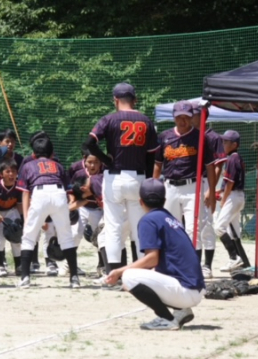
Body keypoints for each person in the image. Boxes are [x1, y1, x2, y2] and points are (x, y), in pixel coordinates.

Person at [106, 178, 205, 330]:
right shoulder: (169, 218)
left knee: (129, 276)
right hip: (195, 287)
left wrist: (119, 271)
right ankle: (181, 312)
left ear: (140, 201)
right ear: (164, 201)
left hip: (186, 290)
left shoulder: (149, 220)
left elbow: (152, 259)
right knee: (144, 274)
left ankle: (167, 319)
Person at [85, 82, 159, 274]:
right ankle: (140, 273)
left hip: (114, 178)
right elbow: (152, 155)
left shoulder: (109, 119)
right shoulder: (146, 120)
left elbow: (89, 143)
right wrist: (149, 181)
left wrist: (104, 160)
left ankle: (114, 274)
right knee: (138, 228)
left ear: (115, 100)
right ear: (134, 100)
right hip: (138, 178)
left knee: (114, 228)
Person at [153, 100, 217, 256]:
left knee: (193, 229)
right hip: (170, 187)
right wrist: (153, 188)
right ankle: (173, 265)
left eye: (187, 117)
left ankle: (193, 267)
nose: (183, 121)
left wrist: (212, 191)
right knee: (170, 227)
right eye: (179, 117)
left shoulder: (201, 138)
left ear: (192, 118)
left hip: (193, 187)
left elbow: (210, 166)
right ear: (174, 117)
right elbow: (157, 164)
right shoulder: (164, 136)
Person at [17, 138, 80, 288]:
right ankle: (74, 278)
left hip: (39, 195)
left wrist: (26, 217)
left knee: (29, 237)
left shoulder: (28, 165)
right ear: (52, 153)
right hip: (58, 193)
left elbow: (25, 193)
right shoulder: (58, 165)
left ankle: (25, 277)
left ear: (33, 153)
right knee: (66, 238)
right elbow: (68, 189)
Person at [191, 102, 227, 278]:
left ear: (203, 116)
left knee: (206, 224)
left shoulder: (212, 136)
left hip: (206, 181)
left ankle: (207, 265)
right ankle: (194, 264)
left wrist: (211, 190)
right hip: (191, 182)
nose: (190, 117)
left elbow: (219, 165)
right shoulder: (190, 135)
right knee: (193, 225)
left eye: (194, 114)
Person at [214, 130, 250, 272]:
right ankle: (244, 263)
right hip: (237, 195)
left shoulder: (232, 158)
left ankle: (234, 258)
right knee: (234, 232)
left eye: (226, 142)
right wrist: (220, 192)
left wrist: (223, 199)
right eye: (223, 141)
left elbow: (230, 183)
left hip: (233, 196)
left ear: (234, 144)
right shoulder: (236, 157)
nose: (223, 144)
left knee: (219, 227)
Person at [0, 158, 23, 277]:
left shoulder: (19, 187)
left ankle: (19, 266)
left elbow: (19, 205)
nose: (11, 174)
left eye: (13, 171)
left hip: (12, 211)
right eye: (7, 171)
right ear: (1, 174)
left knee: (16, 238)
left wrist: (22, 220)